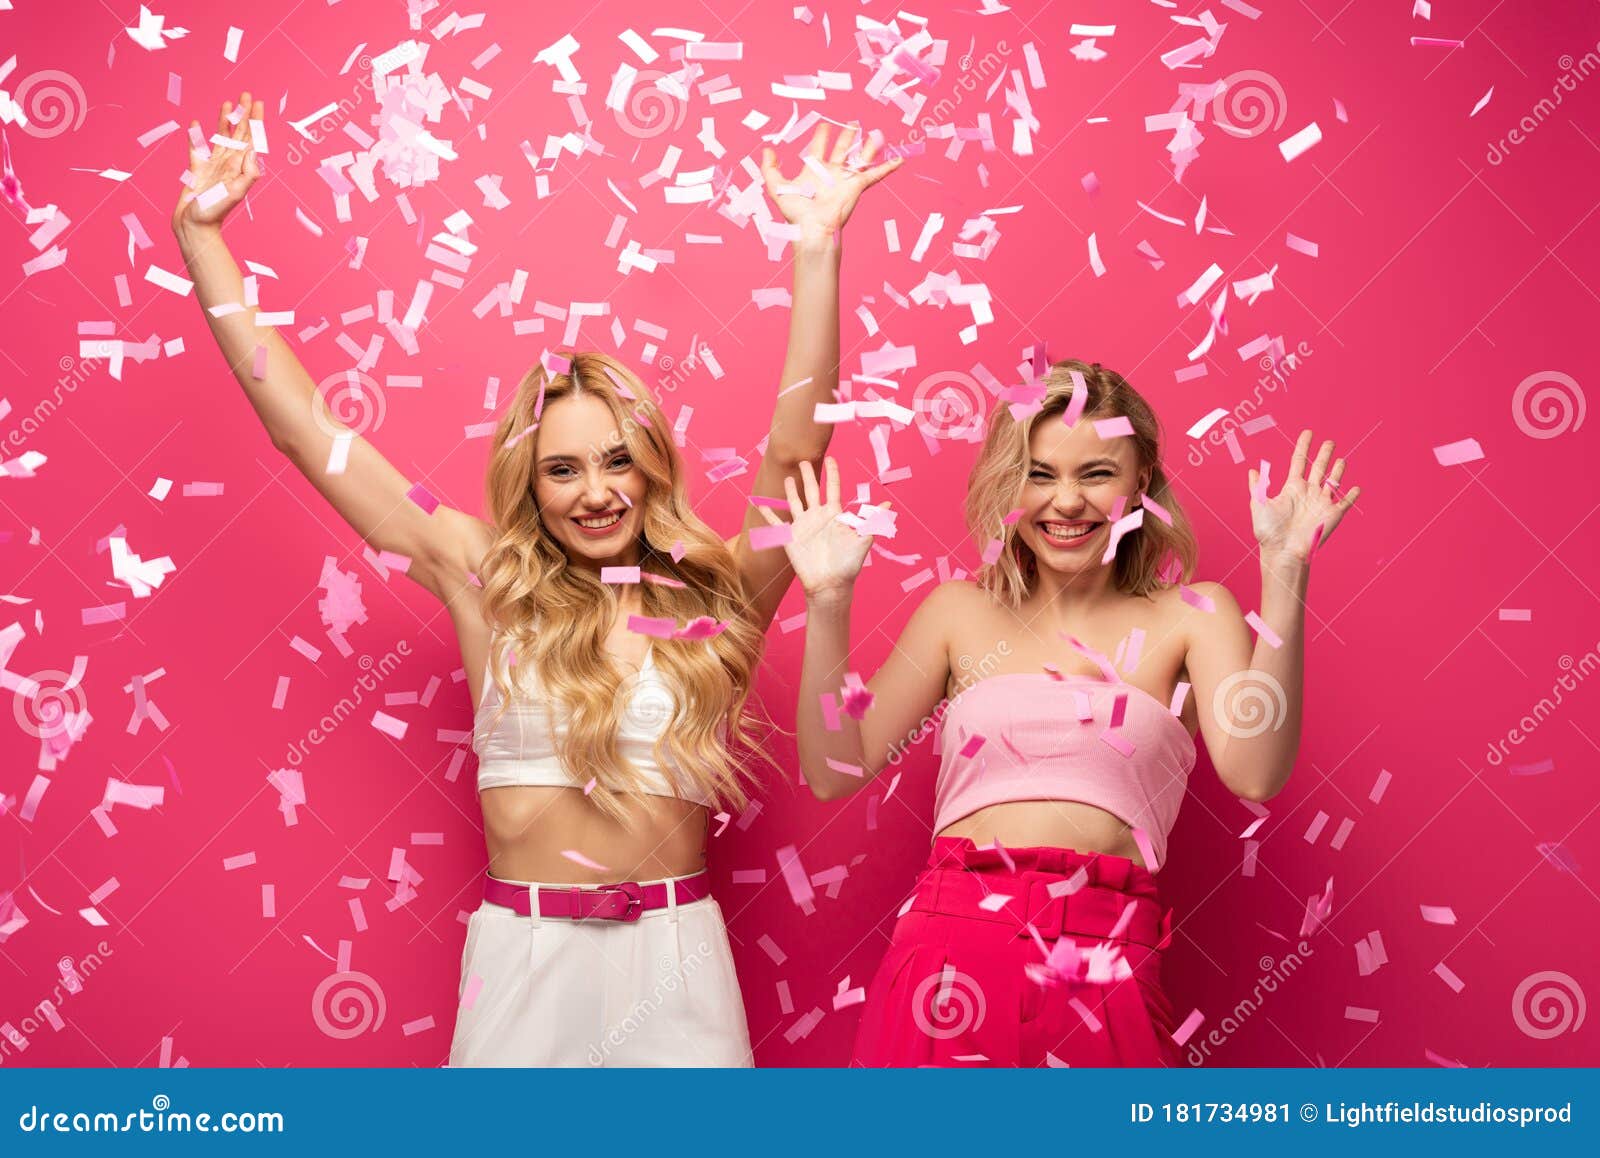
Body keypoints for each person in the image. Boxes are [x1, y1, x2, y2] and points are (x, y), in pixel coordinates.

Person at [172, 92, 901, 1066]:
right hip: (522, 956)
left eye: (616, 461)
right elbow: (305, 431)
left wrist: (817, 249)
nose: (595, 492)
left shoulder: (716, 593)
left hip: (677, 962)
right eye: (563, 469)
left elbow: (796, 445)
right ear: (531, 481)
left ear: (650, 466)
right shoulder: (485, 577)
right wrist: (203, 238)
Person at [761, 358, 1361, 1066]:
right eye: (1040, 474)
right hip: (949, 951)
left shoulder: (1194, 615)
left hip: (1107, 958)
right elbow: (836, 768)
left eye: (1096, 474)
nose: (1066, 502)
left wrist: (1286, 570)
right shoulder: (960, 611)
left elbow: (1255, 772)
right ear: (1009, 486)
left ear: (1140, 483)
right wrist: (828, 601)